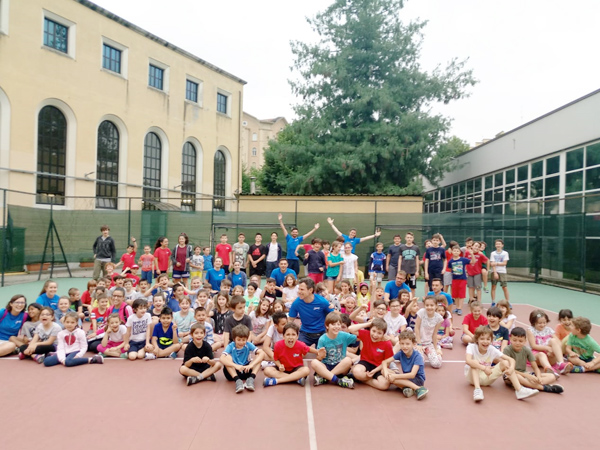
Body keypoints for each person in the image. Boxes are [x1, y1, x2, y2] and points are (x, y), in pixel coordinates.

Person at [465, 325, 539, 402]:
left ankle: (519, 390)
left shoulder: (492, 349)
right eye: (482, 339)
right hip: (472, 378)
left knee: (505, 362)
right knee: (474, 362)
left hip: (487, 377)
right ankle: (477, 390)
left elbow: (511, 360)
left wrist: (511, 368)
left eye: (488, 339)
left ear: (491, 340)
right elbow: (468, 360)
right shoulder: (471, 347)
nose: (485, 341)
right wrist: (484, 368)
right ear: (477, 340)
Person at [503, 327, 563, 393]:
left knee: (552, 376)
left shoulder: (526, 350)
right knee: (518, 377)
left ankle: (529, 385)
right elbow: (508, 370)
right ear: (510, 339)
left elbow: (535, 368)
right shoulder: (507, 350)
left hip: (525, 374)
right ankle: (544, 388)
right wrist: (527, 376)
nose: (517, 343)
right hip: (512, 375)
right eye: (514, 340)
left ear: (525, 341)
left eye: (520, 341)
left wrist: (538, 377)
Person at [264, 322, 323, 387]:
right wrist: (279, 365)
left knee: (306, 370)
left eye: (293, 334)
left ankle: (277, 381)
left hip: (296, 369)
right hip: (283, 370)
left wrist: (317, 352)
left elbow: (308, 349)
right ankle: (296, 379)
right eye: (288, 334)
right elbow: (276, 359)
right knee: (267, 370)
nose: (290, 337)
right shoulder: (277, 345)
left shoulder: (300, 344)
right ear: (283, 336)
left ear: (297, 336)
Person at [311, 312, 358, 388]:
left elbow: (359, 337)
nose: (336, 327)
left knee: (348, 360)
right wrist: (320, 356)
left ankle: (326, 377)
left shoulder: (344, 335)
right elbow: (319, 358)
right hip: (326, 365)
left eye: (338, 324)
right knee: (314, 362)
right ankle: (338, 381)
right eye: (333, 324)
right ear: (327, 326)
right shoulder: (322, 339)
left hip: (340, 366)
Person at [382, 330, 428, 400]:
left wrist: (395, 376)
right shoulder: (401, 353)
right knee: (383, 371)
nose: (404, 346)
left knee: (393, 379)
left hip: (417, 380)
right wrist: (386, 373)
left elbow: (412, 375)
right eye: (402, 344)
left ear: (413, 344)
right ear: (399, 344)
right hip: (407, 377)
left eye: (407, 344)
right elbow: (385, 362)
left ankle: (418, 388)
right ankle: (408, 388)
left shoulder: (418, 356)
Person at [351, 318, 395, 391]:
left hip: (379, 367)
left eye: (379, 333)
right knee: (356, 371)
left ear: (384, 334)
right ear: (370, 329)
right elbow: (351, 329)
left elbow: (387, 363)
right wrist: (368, 324)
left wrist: (374, 371)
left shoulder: (387, 343)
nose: (375, 335)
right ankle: (362, 377)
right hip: (365, 362)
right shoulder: (366, 334)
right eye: (373, 331)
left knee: (385, 385)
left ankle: (362, 379)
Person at [289, 278, 334, 346]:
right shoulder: (296, 303)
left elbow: (332, 315)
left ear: (310, 290)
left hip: (322, 333)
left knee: (323, 354)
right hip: (305, 333)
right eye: (299, 289)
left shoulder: (322, 301)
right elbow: (290, 320)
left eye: (302, 289)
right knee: (298, 352)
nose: (299, 292)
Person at [220, 324, 264, 393]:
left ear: (247, 339)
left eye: (243, 340)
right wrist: (235, 366)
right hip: (233, 371)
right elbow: (221, 358)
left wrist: (251, 365)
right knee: (227, 357)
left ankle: (251, 379)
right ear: (234, 339)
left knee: (259, 354)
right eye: (239, 340)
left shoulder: (248, 344)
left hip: (246, 369)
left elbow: (262, 353)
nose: (241, 342)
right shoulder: (231, 346)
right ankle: (237, 381)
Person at [526, 309, 571, 376]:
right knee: (541, 354)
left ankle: (561, 364)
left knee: (553, 340)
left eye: (544, 322)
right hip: (536, 356)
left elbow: (558, 342)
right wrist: (546, 348)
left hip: (549, 355)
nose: (542, 325)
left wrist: (552, 351)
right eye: (540, 323)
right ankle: (549, 369)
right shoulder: (531, 330)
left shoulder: (548, 330)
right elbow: (533, 346)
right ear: (533, 323)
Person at [414, 296, 443, 368]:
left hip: (428, 343)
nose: (429, 307)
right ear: (424, 306)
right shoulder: (421, 312)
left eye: (432, 305)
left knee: (437, 364)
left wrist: (436, 348)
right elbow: (416, 328)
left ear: (436, 306)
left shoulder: (439, 318)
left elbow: (434, 334)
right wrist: (419, 343)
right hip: (418, 342)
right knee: (420, 362)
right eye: (427, 305)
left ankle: (436, 350)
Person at [447, 246, 476, 316]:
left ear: (460, 252)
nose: (456, 252)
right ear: (452, 252)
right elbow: (450, 269)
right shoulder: (450, 261)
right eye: (454, 251)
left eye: (457, 251)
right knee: (455, 295)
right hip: (454, 280)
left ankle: (460, 308)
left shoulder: (463, 259)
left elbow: (473, 262)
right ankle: (457, 307)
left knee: (461, 295)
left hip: (462, 279)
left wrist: (472, 254)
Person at [490, 239, 510, 305]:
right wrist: (495, 272)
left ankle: (507, 302)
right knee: (493, 286)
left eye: (499, 244)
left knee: (504, 287)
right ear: (495, 245)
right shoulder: (492, 253)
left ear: (502, 245)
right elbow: (492, 264)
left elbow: (504, 263)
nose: (498, 245)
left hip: (502, 272)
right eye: (497, 244)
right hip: (494, 272)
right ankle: (493, 302)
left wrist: (496, 263)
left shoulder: (505, 253)